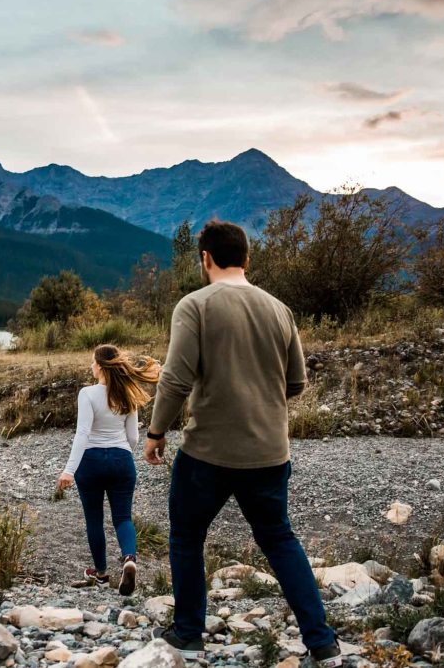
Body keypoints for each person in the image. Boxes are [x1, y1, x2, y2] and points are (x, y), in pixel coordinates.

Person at [143, 221, 341, 666]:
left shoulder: (194, 306)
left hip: (207, 454)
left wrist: (156, 433)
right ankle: (322, 643)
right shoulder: (279, 309)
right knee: (279, 540)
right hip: (270, 453)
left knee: (187, 537)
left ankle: (189, 633)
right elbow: (296, 383)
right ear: (247, 259)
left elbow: (175, 379)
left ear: (206, 259)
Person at [56, 344, 160, 596]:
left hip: (90, 462)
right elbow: (133, 437)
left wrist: (68, 470)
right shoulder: (127, 394)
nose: (90, 366)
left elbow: (82, 434)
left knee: (94, 519)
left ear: (101, 367)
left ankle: (101, 573)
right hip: (121, 460)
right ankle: (129, 559)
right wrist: (120, 454)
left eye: (93, 362)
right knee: (123, 517)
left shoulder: (87, 394)